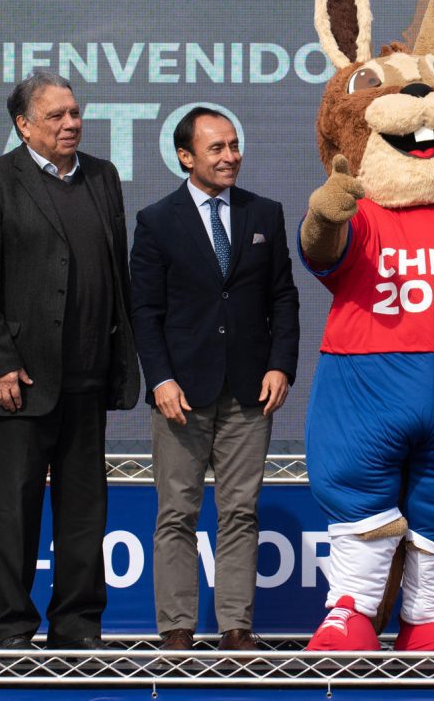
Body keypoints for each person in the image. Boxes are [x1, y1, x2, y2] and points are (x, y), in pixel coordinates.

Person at [0, 69, 141, 650]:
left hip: (88, 377)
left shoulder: (103, 177)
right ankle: (12, 629)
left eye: (75, 112)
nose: (71, 123)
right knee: (16, 511)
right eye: (56, 115)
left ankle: (78, 627)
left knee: (85, 513)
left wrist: (120, 357)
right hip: (21, 380)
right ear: (23, 125)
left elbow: (115, 274)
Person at [130, 107, 300, 652]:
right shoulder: (157, 221)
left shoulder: (264, 213)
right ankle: (176, 630)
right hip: (181, 394)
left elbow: (283, 297)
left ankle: (236, 628)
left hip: (250, 390)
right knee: (176, 513)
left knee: (241, 512)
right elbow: (145, 311)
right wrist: (160, 379)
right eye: (217, 148)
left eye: (234, 145)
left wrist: (281, 364)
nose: (230, 157)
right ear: (186, 157)